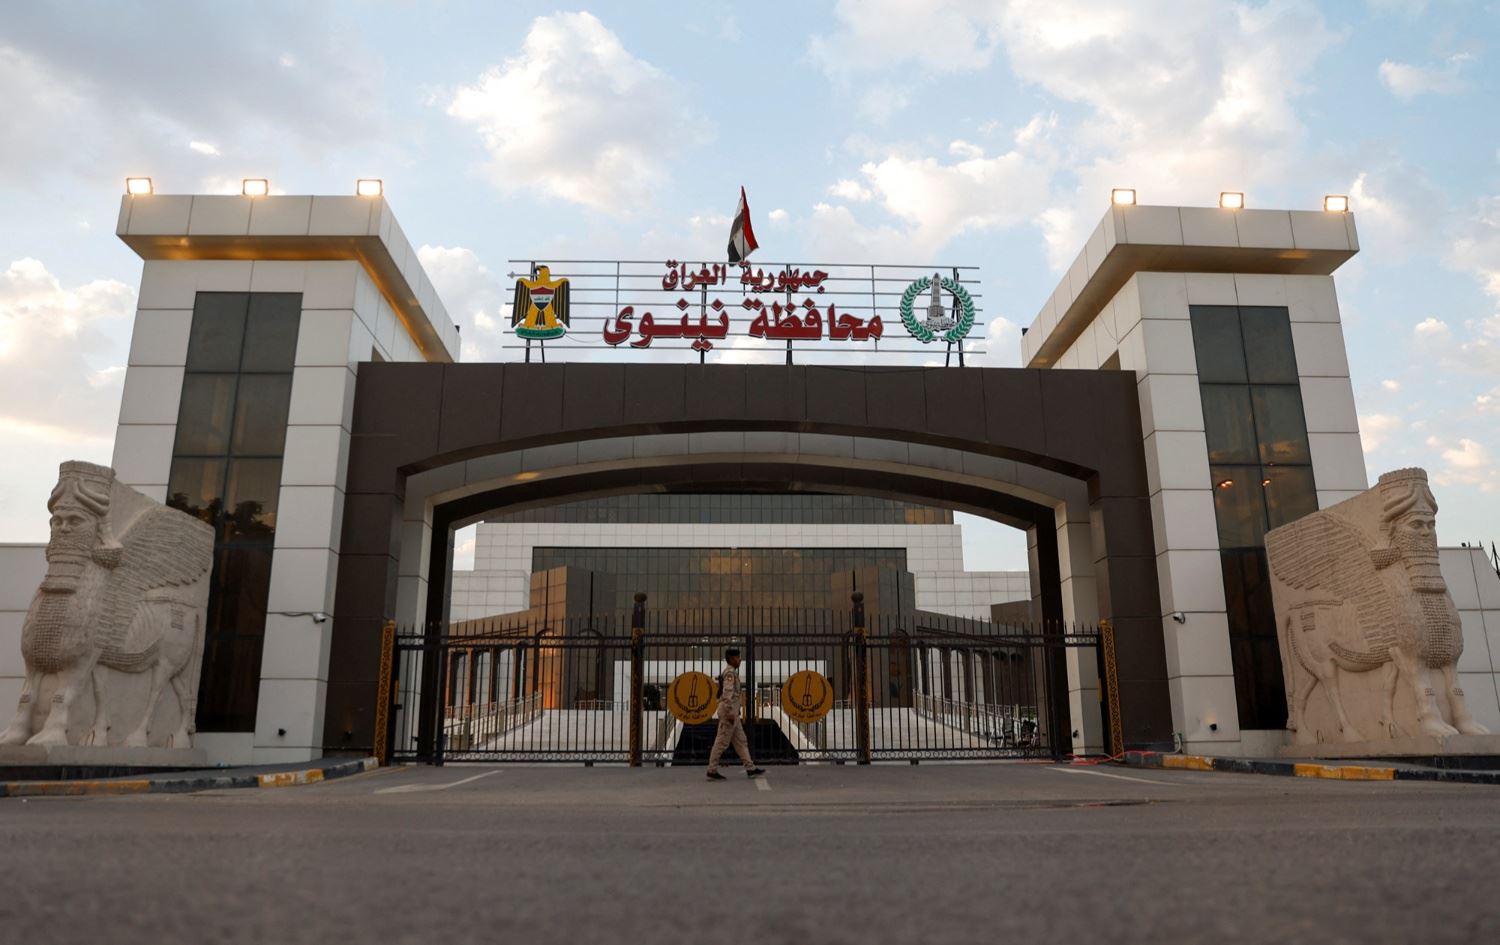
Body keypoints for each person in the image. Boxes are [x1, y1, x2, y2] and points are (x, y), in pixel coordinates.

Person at [706, 647, 765, 781]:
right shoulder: (730, 673)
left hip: (733, 712)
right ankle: (711, 770)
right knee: (721, 742)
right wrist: (729, 713)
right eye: (738, 657)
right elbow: (727, 693)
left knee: (741, 741)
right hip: (729, 712)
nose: (740, 660)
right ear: (732, 659)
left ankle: (750, 768)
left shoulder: (730, 672)